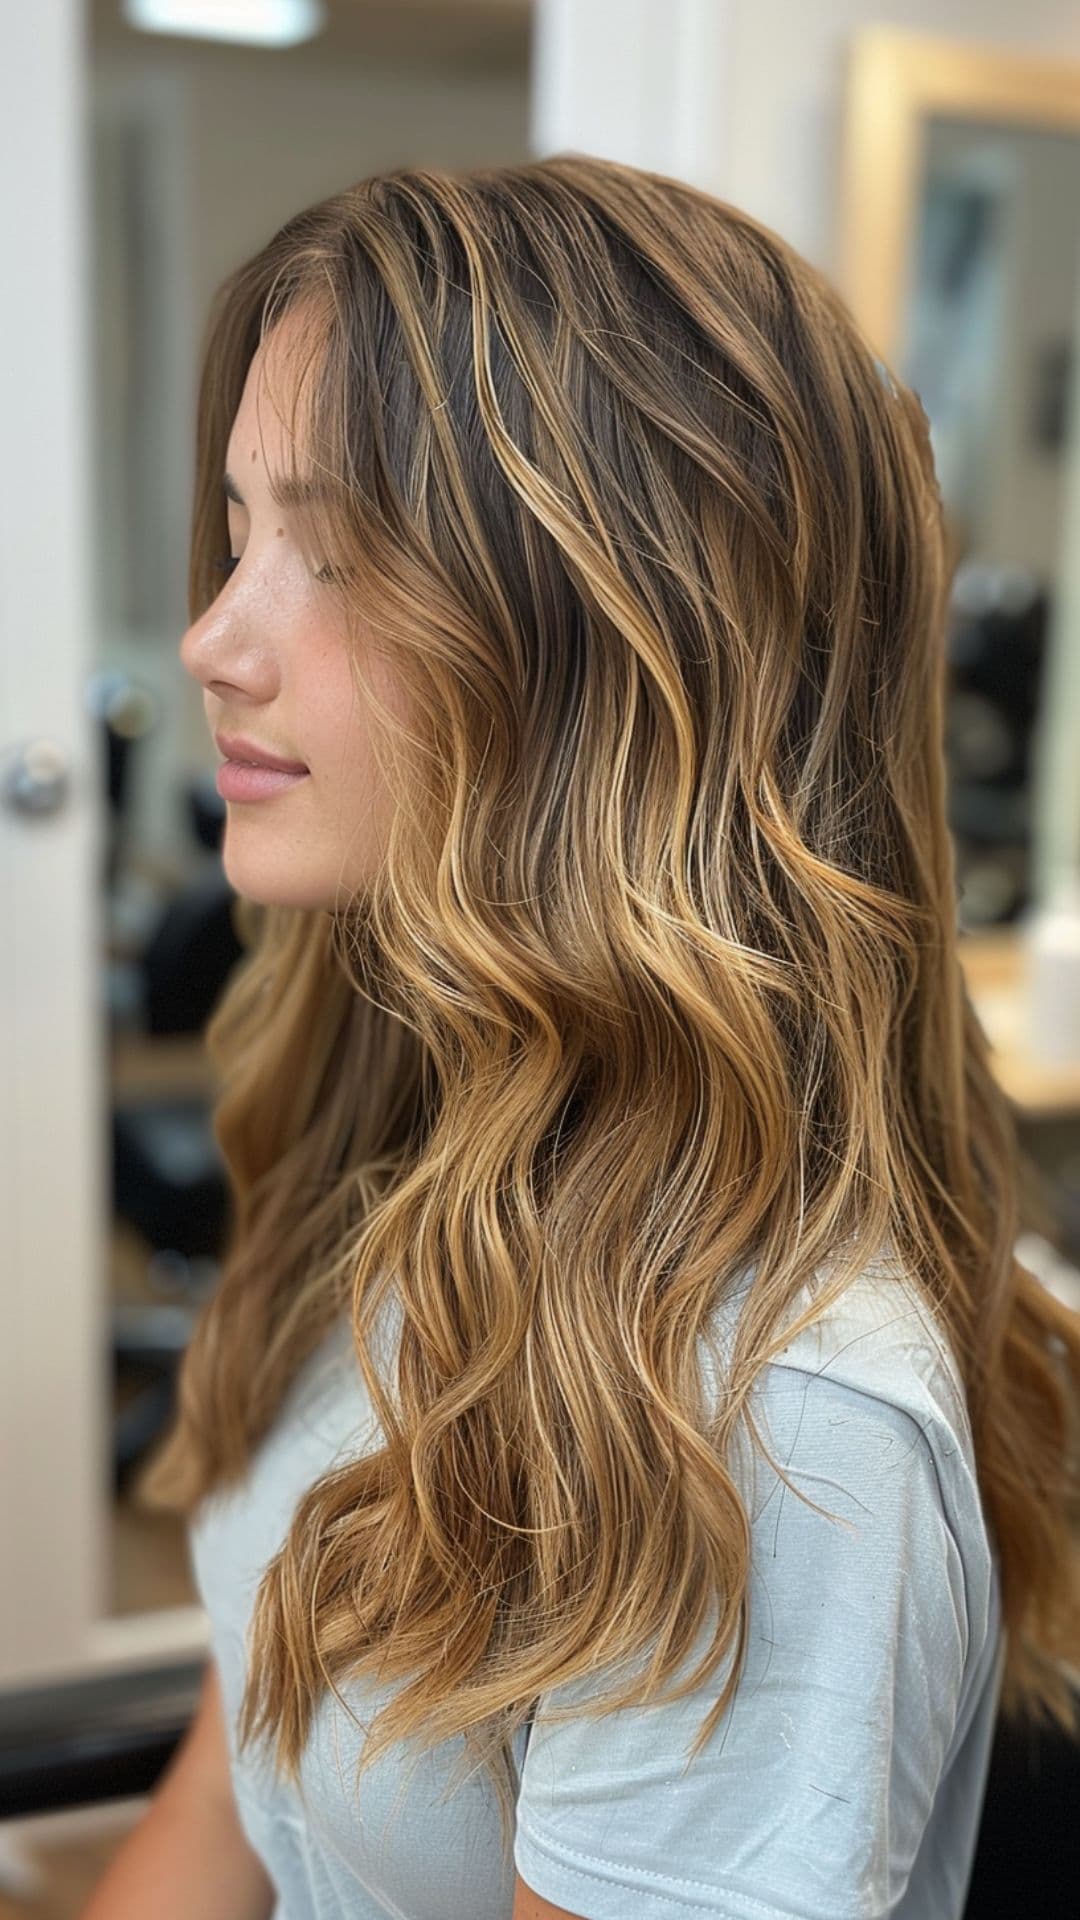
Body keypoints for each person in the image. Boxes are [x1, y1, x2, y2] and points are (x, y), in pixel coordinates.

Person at [84, 153, 1079, 1920]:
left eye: (333, 552)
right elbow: (233, 1795)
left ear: (617, 653)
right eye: (241, 536)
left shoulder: (775, 1423)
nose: (213, 638)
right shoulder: (408, 1167)